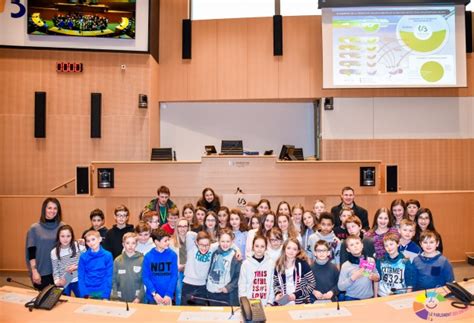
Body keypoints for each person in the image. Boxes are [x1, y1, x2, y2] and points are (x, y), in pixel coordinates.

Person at [26, 197, 64, 290]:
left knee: (59, 301)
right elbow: (31, 253)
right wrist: (34, 271)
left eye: (55, 208)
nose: (52, 211)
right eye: (49, 208)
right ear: (44, 209)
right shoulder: (34, 228)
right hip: (41, 273)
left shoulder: (63, 226)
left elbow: (69, 247)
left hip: (59, 273)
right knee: (44, 302)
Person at [273, 238, 315, 305]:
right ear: (284, 249)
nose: (291, 251)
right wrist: (278, 293)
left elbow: (312, 284)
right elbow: (275, 283)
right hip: (284, 303)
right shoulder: (278, 265)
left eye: (294, 249)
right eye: (289, 248)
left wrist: (296, 294)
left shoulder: (303, 264)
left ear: (298, 251)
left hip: (301, 302)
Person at [206, 228, 242, 306]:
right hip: (211, 292)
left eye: (228, 241)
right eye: (222, 241)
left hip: (226, 294)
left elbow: (238, 276)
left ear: (232, 242)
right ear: (218, 241)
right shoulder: (213, 252)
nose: (225, 244)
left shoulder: (235, 256)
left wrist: (228, 288)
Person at [142, 229, 178, 305]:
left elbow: (174, 276)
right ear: (156, 242)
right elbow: (145, 277)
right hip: (153, 297)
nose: (168, 242)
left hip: (168, 297)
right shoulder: (148, 256)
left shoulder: (173, 255)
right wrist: (154, 294)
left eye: (168, 240)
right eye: (165, 241)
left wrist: (168, 294)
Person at [338, 235, 379, 301]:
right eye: (351, 245)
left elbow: (377, 278)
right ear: (348, 250)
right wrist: (353, 277)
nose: (355, 246)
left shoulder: (370, 260)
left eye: (357, 243)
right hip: (351, 298)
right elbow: (340, 287)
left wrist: (375, 277)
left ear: (362, 245)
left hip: (368, 297)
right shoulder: (346, 265)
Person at [238, 235, 275, 306]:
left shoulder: (271, 263)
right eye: (257, 246)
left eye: (262, 246)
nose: (259, 249)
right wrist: (244, 303)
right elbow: (242, 285)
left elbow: (272, 285)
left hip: (266, 304)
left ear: (266, 248)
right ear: (253, 247)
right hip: (249, 303)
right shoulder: (246, 264)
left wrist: (270, 302)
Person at [51, 224, 86, 296]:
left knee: (83, 300)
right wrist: (57, 282)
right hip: (64, 281)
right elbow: (55, 270)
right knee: (62, 302)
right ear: (58, 237)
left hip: (78, 279)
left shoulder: (79, 246)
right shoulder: (54, 252)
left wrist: (76, 267)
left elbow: (87, 263)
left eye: (68, 236)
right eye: (62, 236)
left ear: (72, 236)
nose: (65, 239)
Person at [375, 233, 414, 297]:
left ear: (398, 244)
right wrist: (375, 296)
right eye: (386, 245)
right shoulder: (381, 261)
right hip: (382, 295)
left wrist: (407, 296)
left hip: (400, 296)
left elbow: (409, 282)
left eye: (391, 244)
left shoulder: (405, 261)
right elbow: (377, 279)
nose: (389, 247)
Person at [78, 230, 114, 299]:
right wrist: (84, 293)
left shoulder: (108, 255)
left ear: (100, 239)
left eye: (93, 239)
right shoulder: (83, 257)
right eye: (88, 241)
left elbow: (109, 276)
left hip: (102, 290)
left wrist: (106, 295)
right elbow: (81, 276)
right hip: (88, 291)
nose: (91, 243)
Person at [111, 232, 144, 303]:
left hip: (137, 299)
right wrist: (115, 297)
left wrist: (139, 298)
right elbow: (113, 280)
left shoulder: (142, 260)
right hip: (120, 299)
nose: (130, 246)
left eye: (133, 243)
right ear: (123, 244)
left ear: (136, 244)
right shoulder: (117, 260)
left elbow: (144, 281)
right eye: (127, 243)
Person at [170, 218, 189, 305]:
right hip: (178, 271)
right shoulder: (171, 241)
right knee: (179, 294)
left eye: (185, 226)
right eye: (180, 226)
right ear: (176, 228)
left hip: (190, 272)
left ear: (188, 227)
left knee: (189, 295)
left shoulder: (193, 240)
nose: (182, 228)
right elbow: (169, 259)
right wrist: (177, 267)